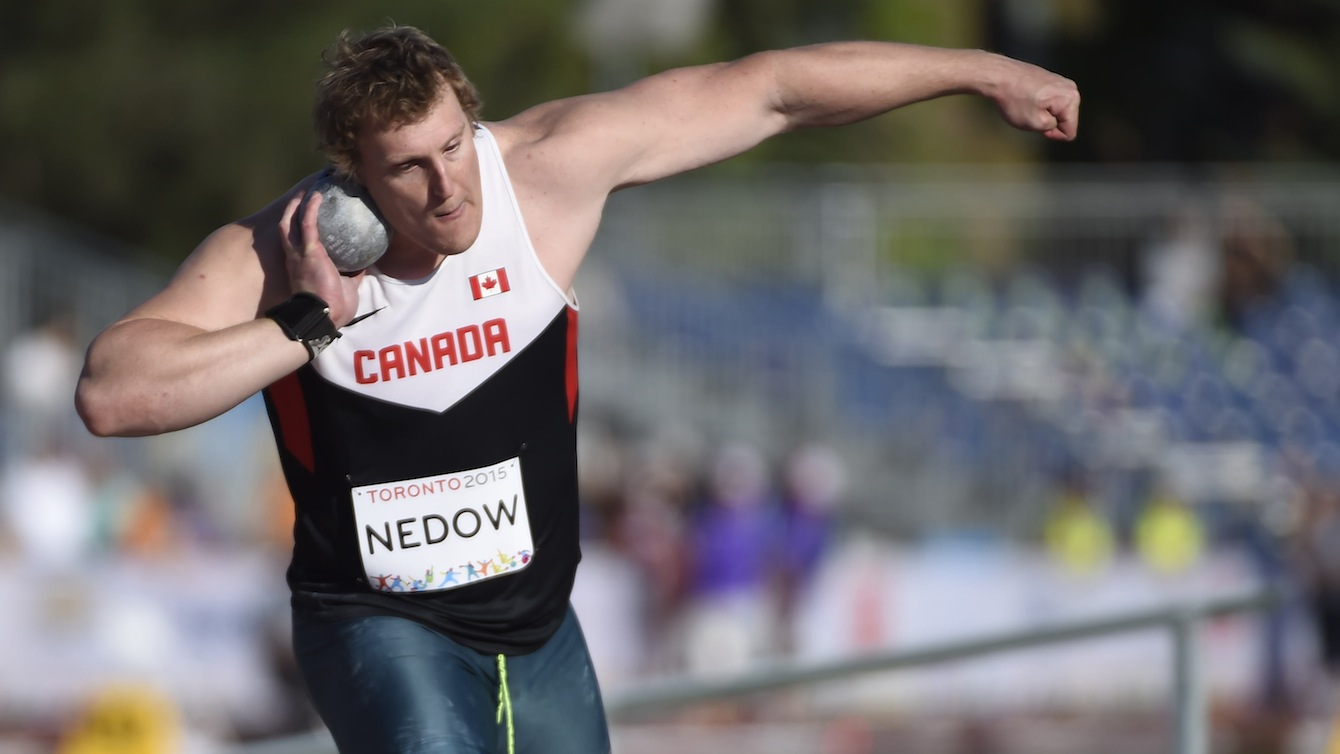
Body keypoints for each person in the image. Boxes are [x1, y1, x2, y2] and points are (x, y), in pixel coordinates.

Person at [75, 24, 1080, 754]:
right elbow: (114, 393)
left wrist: (980, 69)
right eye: (407, 169)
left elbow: (770, 86)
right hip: (376, 622)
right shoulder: (276, 252)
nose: (446, 187)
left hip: (540, 630)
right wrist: (300, 325)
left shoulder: (547, 173)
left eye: (451, 144)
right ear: (352, 176)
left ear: (469, 116)